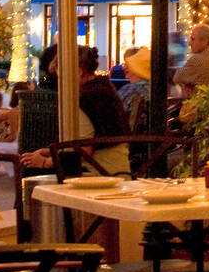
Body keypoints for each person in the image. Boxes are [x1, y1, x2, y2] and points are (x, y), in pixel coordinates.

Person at [21, 45, 130, 175]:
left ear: (78, 71)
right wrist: (52, 152)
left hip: (99, 174)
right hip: (120, 170)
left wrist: (45, 162)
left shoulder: (84, 99)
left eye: (61, 76)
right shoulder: (106, 90)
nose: (60, 82)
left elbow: (82, 151)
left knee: (30, 173)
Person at [174, 24, 209, 97]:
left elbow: (177, 77)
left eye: (193, 39)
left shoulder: (197, 59)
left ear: (204, 41)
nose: (189, 43)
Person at [118, 47, 151, 133]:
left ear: (138, 68)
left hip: (124, 139)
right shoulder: (153, 88)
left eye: (128, 64)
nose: (124, 67)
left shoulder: (131, 90)